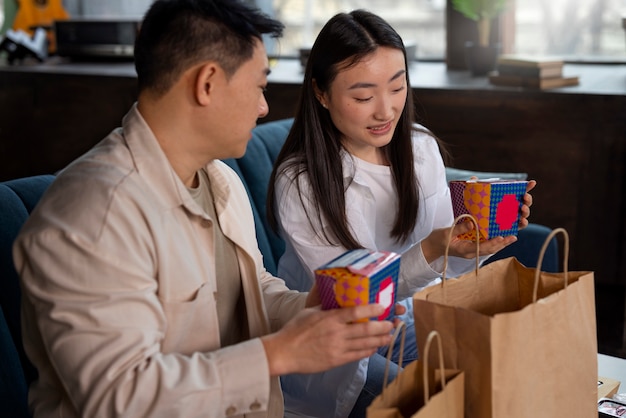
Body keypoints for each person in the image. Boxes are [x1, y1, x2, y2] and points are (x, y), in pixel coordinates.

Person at [12, 1, 399, 417]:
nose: (264, 107)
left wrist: (315, 309)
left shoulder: (218, 179)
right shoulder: (95, 213)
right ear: (208, 84)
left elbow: (252, 291)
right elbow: (118, 398)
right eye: (259, 86)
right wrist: (279, 355)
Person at [267, 10, 536, 418]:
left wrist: (475, 238)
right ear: (321, 93)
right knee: (431, 398)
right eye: (363, 96)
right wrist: (430, 249)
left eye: (397, 87)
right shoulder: (302, 181)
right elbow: (355, 305)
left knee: (505, 368)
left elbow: (448, 273)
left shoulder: (420, 148)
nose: (386, 110)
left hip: (411, 319)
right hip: (338, 344)